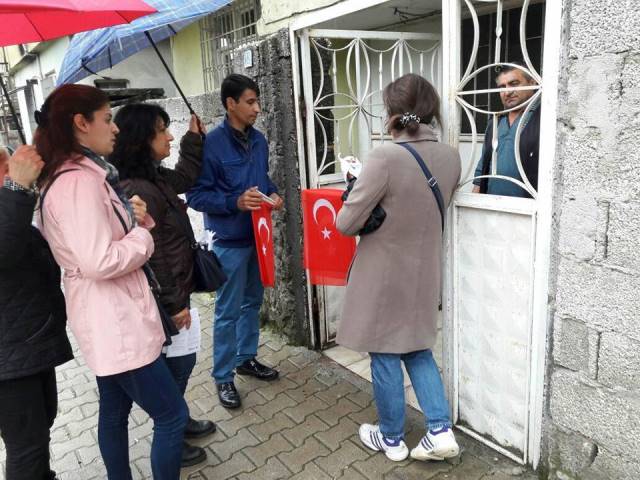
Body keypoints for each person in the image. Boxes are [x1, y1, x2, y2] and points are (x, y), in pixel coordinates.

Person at [35, 84, 188, 480]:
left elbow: (101, 240)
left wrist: (134, 218)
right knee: (172, 416)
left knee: (115, 410)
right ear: (81, 123)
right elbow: (99, 260)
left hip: (108, 315)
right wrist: (144, 237)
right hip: (116, 320)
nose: (115, 127)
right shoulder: (77, 182)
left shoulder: (84, 175)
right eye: (106, 119)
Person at [336, 73, 461, 462]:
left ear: (391, 111)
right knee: (418, 347)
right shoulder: (451, 156)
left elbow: (346, 223)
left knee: (384, 351)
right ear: (431, 109)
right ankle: (439, 430)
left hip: (383, 274)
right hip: (424, 272)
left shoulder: (385, 157)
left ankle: (391, 438)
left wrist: (354, 185)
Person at [110, 103, 215, 468]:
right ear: (142, 139)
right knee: (179, 364)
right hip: (167, 299)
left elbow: (184, 177)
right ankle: (173, 430)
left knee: (182, 359)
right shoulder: (137, 189)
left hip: (176, 291)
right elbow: (155, 257)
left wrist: (193, 139)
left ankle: (178, 420)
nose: (169, 136)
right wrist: (174, 304)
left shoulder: (153, 177)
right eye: (162, 131)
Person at [187, 74, 283, 409]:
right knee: (227, 312)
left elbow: (263, 179)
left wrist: (273, 194)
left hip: (259, 237)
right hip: (228, 241)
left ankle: (246, 358)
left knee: (252, 302)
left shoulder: (259, 141)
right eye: (250, 102)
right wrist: (235, 202)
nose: (257, 108)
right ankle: (223, 376)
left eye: (258, 101)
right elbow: (196, 196)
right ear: (231, 104)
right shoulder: (211, 144)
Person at [0, 146, 73, 480]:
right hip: (9, 359)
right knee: (26, 447)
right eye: (4, 166)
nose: (11, 170)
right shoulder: (10, 202)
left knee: (39, 430)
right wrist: (16, 188)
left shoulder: (8, 208)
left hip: (24, 345)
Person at [472, 63, 540, 197]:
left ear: (532, 83)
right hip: (492, 203)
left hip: (529, 205)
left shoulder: (542, 118)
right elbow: (484, 164)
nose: (507, 92)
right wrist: (475, 199)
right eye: (502, 87)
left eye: (514, 84)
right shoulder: (496, 121)